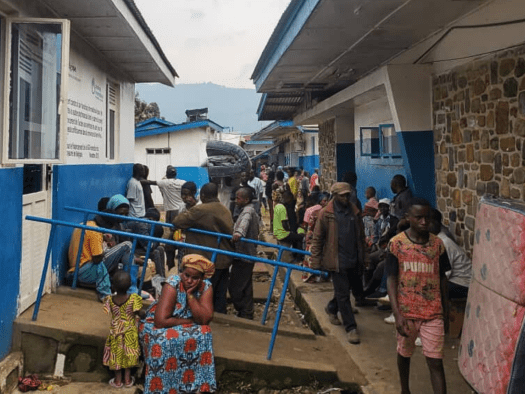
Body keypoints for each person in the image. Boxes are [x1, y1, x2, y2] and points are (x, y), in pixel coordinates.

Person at [386, 198, 450, 394]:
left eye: (427, 218)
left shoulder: (438, 245)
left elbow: (443, 279)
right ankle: (405, 390)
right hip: (406, 313)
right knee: (404, 354)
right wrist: (397, 313)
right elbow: (391, 278)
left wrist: (445, 313)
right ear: (408, 218)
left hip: (433, 313)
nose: (424, 222)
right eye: (419, 217)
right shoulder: (396, 244)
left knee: (435, 362)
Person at [139, 255, 216, 394]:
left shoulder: (206, 287)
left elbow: (205, 320)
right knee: (161, 340)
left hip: (184, 325)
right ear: (182, 273)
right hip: (160, 324)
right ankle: (161, 388)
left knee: (205, 333)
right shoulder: (172, 283)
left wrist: (190, 295)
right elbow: (160, 321)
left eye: (194, 278)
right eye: (186, 275)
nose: (189, 280)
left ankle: (196, 386)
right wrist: (189, 322)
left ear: (201, 278)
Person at [310, 182, 367, 344]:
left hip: (354, 259)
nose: (346, 197)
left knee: (345, 290)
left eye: (347, 194)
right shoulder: (325, 214)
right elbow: (318, 238)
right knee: (343, 295)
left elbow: (361, 237)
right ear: (334, 196)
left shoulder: (354, 211)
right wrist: (316, 262)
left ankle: (332, 308)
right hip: (336, 260)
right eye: (342, 195)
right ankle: (351, 328)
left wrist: (365, 257)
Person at [173, 183, 234, 314]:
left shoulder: (200, 210)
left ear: (203, 195)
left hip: (206, 260)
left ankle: (202, 318)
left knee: (204, 292)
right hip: (224, 258)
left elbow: (177, 221)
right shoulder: (224, 209)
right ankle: (220, 318)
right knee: (220, 293)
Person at [67, 195, 133, 300]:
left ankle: (119, 286)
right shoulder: (95, 231)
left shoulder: (87, 224)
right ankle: (109, 293)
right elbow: (97, 259)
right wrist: (108, 249)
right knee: (127, 245)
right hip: (81, 272)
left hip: (76, 270)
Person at [103, 270, 143, 388]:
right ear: (130, 285)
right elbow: (139, 312)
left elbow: (107, 311)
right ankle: (127, 380)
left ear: (113, 285)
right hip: (129, 332)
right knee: (128, 355)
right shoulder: (133, 299)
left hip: (116, 332)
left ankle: (117, 381)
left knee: (117, 355)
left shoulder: (109, 300)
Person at [229, 187, 260, 319]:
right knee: (246, 286)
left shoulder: (248, 211)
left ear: (246, 200)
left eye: (238, 198)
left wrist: (238, 233)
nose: (236, 200)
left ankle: (243, 311)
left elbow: (244, 223)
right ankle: (246, 313)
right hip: (247, 254)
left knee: (234, 287)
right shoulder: (248, 210)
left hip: (244, 255)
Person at [429, 209, 471, 299]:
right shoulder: (435, 241)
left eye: (428, 222)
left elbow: (445, 274)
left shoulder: (443, 242)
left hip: (463, 285)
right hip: (455, 282)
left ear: (436, 223)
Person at [273, 191, 304, 256]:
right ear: (288, 198)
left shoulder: (277, 206)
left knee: (295, 236)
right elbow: (284, 224)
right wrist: (291, 231)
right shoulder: (283, 208)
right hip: (283, 233)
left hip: (276, 231)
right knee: (300, 237)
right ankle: (298, 257)